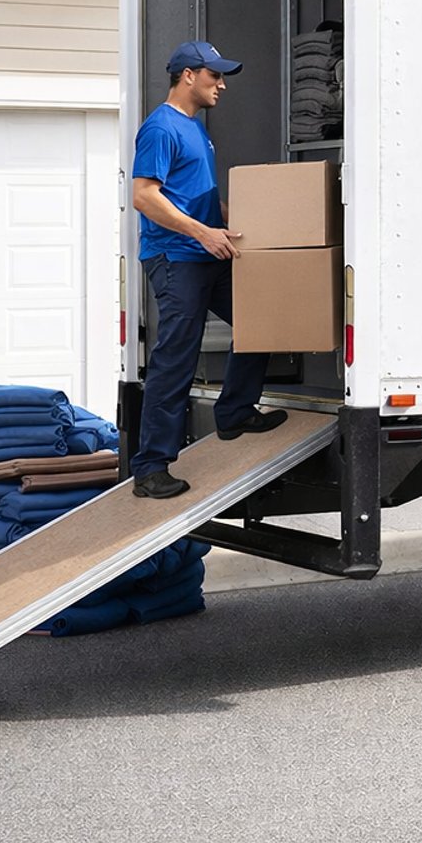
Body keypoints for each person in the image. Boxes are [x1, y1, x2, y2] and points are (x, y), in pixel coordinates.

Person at [129, 40, 287, 499]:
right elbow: (145, 195)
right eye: (214, 75)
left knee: (264, 320)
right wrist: (203, 232)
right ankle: (151, 467)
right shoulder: (161, 128)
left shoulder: (196, 129)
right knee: (176, 357)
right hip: (176, 257)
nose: (221, 85)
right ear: (187, 76)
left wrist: (231, 215)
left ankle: (235, 412)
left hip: (206, 251)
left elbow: (186, 193)